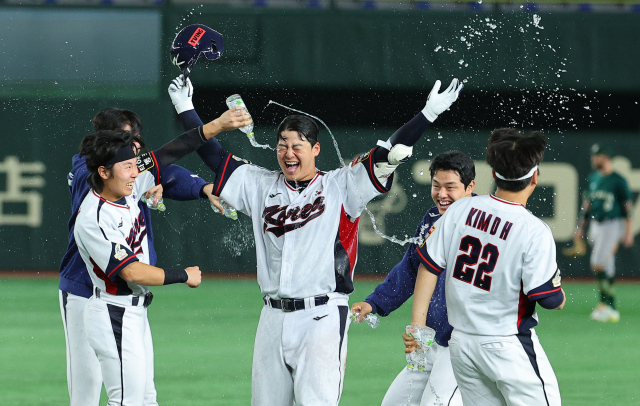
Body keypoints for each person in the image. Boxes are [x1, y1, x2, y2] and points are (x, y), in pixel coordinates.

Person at [167, 74, 463, 405]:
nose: (288, 153)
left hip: (320, 317)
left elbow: (389, 152)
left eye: (297, 145)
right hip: (272, 317)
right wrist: (184, 106)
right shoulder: (260, 185)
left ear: (315, 149)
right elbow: (213, 156)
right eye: (282, 145)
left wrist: (428, 114)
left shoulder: (343, 185)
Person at [73, 109, 250, 405]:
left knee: (146, 399)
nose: (136, 172)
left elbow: (171, 152)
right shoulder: (94, 216)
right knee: (127, 401)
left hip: (134, 311)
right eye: (127, 167)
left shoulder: (126, 185)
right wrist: (183, 275)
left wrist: (214, 127)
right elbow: (131, 272)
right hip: (113, 312)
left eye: (135, 165)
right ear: (103, 171)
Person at [407, 128, 566, 406]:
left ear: (493, 174)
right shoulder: (533, 229)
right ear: (535, 177)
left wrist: (416, 325)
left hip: (462, 345)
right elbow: (549, 299)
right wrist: (560, 294)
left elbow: (428, 267)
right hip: (507, 345)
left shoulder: (460, 210)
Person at [351, 151, 475, 406]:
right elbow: (410, 268)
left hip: (462, 346)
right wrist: (375, 302)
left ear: (470, 187)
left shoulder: (481, 226)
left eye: (450, 187)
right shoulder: (432, 219)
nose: (442, 194)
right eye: (436, 186)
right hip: (431, 343)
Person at [574, 142, 634, 323]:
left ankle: (610, 306)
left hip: (612, 225)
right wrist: (580, 228)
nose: (593, 159)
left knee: (598, 263)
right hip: (595, 225)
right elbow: (587, 206)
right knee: (607, 267)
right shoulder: (593, 178)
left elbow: (627, 209)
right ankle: (606, 306)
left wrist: (628, 232)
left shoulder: (618, 180)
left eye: (597, 155)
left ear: (605, 157)